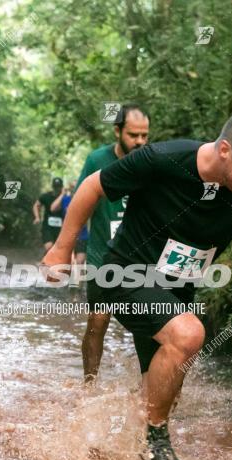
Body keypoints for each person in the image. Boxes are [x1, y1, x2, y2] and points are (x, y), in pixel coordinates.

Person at [41, 112, 232, 460]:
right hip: (125, 274)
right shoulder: (163, 160)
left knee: (163, 389)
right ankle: (154, 445)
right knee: (189, 334)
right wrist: (62, 249)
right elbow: (92, 187)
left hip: (175, 290)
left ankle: (111, 441)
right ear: (224, 150)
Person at [74, 104, 150, 385]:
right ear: (117, 131)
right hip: (101, 256)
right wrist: (75, 248)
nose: (140, 142)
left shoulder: (151, 160)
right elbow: (80, 204)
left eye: (144, 135)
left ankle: (148, 388)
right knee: (98, 321)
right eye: (133, 135)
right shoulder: (97, 160)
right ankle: (89, 385)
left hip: (140, 257)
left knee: (148, 325)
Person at [33, 177, 65, 252]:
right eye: (55, 187)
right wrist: (37, 217)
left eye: (59, 187)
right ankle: (46, 261)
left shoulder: (65, 197)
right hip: (48, 227)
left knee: (58, 250)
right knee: (49, 246)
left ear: (61, 187)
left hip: (61, 228)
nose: (57, 189)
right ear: (52, 187)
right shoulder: (46, 196)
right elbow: (36, 205)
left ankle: (48, 262)